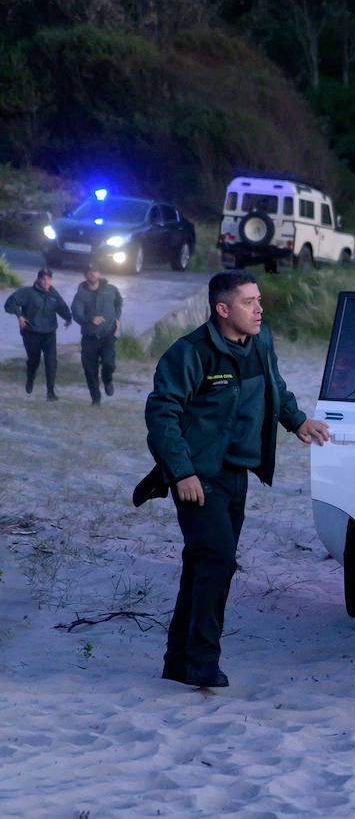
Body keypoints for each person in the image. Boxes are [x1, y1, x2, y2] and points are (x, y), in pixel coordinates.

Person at [133, 270, 331, 688]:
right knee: (218, 561)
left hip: (237, 474)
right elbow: (162, 414)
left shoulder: (262, 342)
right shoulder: (189, 353)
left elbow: (274, 386)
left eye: (259, 300)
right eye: (248, 302)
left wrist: (297, 421)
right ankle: (203, 664)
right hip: (197, 477)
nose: (259, 309)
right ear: (223, 309)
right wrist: (181, 472)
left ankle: (178, 661)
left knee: (203, 565)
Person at [4, 267, 72, 400]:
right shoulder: (28, 292)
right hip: (31, 333)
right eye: (43, 279)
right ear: (38, 279)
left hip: (49, 333)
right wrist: (19, 316)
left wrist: (68, 318)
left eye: (48, 279)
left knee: (51, 361)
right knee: (34, 361)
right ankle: (30, 378)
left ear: (51, 280)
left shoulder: (54, 293)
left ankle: (50, 392)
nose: (46, 282)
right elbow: (9, 303)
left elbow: (62, 307)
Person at [71, 262, 123, 405]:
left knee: (109, 363)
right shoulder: (81, 294)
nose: (92, 274)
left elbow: (119, 302)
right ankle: (96, 399)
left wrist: (117, 318)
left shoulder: (111, 290)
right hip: (89, 337)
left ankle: (107, 380)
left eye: (94, 271)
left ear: (99, 273)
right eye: (88, 272)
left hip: (108, 335)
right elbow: (76, 313)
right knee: (89, 369)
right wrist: (90, 319)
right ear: (85, 275)